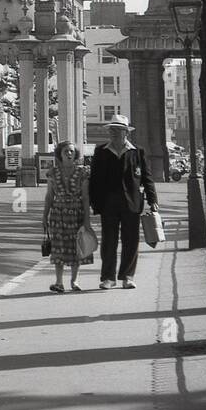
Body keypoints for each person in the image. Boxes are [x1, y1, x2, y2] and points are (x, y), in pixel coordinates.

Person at [88, 114, 158, 289]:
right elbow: (94, 179)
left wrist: (152, 199)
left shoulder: (137, 152)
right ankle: (108, 278)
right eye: (112, 129)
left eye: (118, 130)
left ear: (126, 132)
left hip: (132, 203)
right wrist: (94, 203)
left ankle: (127, 276)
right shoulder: (101, 151)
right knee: (109, 241)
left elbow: (147, 178)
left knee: (131, 240)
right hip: (108, 203)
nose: (114, 133)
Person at [42, 140, 95, 292]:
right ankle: (59, 282)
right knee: (58, 248)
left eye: (72, 151)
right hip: (58, 214)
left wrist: (87, 220)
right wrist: (44, 216)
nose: (69, 154)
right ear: (60, 154)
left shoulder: (82, 172)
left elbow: (85, 197)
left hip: (76, 213)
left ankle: (74, 281)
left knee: (76, 247)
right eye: (66, 151)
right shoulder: (53, 172)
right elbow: (49, 196)